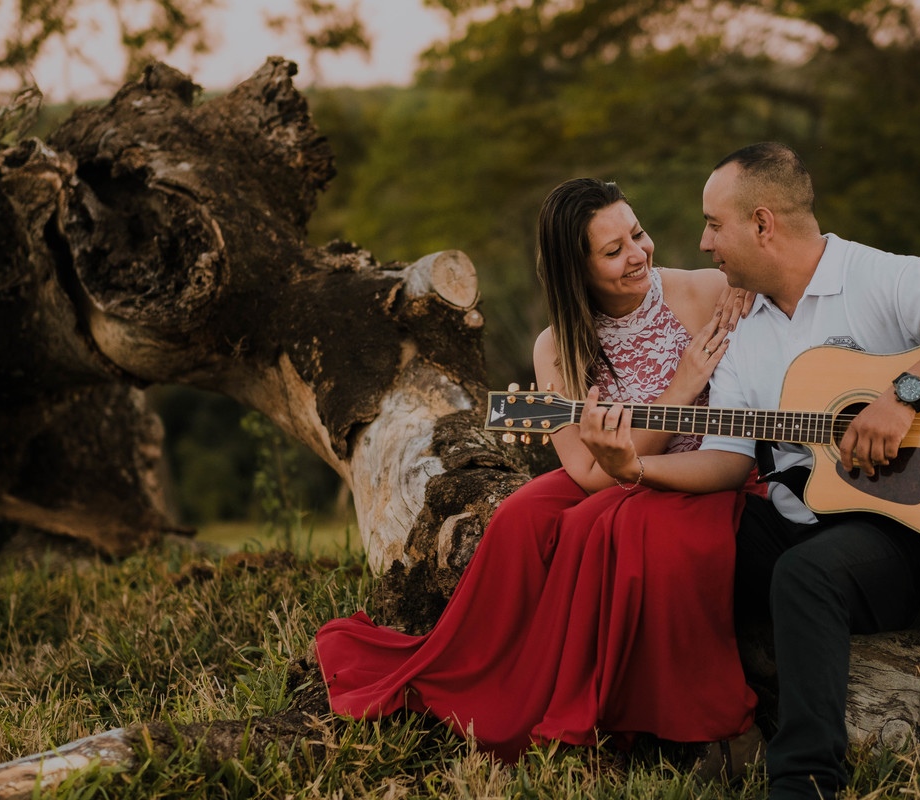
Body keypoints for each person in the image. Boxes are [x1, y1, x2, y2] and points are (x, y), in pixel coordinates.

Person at [580, 142, 920, 800]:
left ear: (762, 223)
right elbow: (727, 461)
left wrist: (903, 396)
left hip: (909, 533)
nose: (704, 243)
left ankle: (805, 781)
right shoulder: (743, 327)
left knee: (807, 573)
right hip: (803, 519)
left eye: (714, 224)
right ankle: (678, 730)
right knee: (668, 533)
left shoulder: (872, 278)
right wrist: (635, 467)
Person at [314, 178, 766, 768]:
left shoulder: (705, 292)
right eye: (614, 251)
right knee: (522, 516)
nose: (638, 254)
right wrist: (680, 389)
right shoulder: (556, 347)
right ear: (575, 270)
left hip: (706, 470)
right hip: (617, 473)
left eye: (637, 234)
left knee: (598, 528)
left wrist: (746, 283)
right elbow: (589, 472)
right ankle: (492, 681)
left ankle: (618, 708)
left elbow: (779, 288)